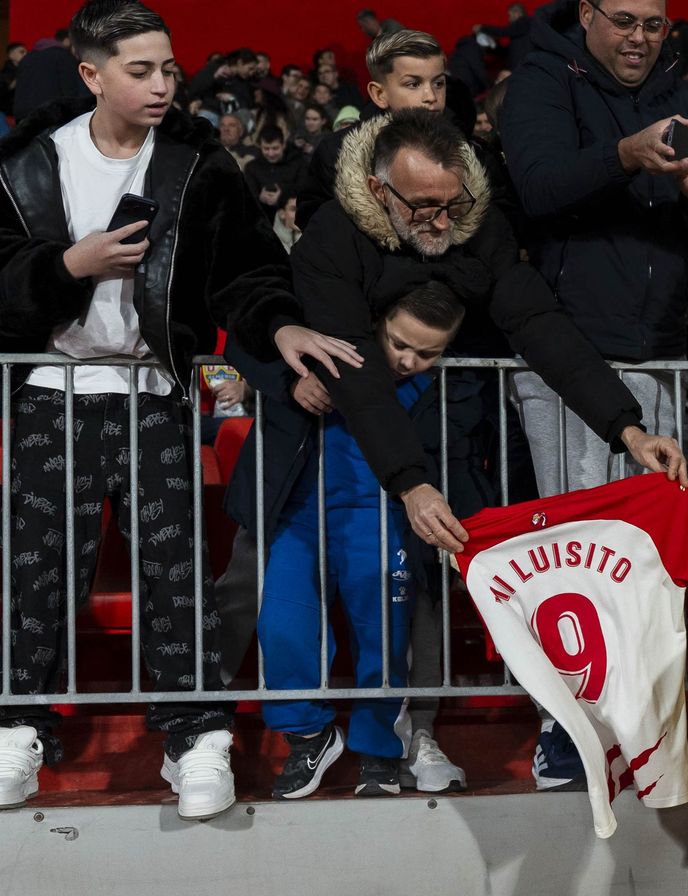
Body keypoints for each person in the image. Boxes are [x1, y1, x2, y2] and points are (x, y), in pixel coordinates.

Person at [0, 0, 357, 817]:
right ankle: (17, 726)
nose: (165, 84)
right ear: (92, 74)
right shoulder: (22, 164)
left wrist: (281, 322)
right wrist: (68, 265)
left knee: (177, 576)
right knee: (36, 573)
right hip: (50, 393)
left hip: (155, 396)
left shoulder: (199, 164)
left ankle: (196, 738)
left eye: (168, 67)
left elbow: (249, 270)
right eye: (141, 70)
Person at [287, 108, 688, 788]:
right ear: (379, 192)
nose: (443, 223)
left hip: (456, 422)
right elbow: (358, 376)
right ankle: (370, 738)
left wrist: (627, 427)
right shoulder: (333, 236)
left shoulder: (481, 225)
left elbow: (541, 325)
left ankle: (546, 727)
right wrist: (411, 481)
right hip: (353, 424)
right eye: (424, 208)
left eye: (454, 205)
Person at [499, 0, 688, 494]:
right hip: (568, 359)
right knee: (582, 545)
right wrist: (625, 154)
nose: (639, 38)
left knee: (645, 548)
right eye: (624, 22)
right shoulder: (541, 80)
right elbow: (540, 190)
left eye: (653, 25)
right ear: (587, 15)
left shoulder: (687, 100)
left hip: (661, 358)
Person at [244, 284, 470, 798]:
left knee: (385, 640)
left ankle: (380, 751)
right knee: (282, 627)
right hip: (301, 512)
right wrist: (287, 382)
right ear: (378, 323)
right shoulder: (328, 346)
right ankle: (309, 738)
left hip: (381, 514)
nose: (408, 359)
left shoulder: (442, 387)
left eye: (426, 352)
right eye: (398, 342)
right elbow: (244, 343)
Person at [297, 28, 447, 229]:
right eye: (413, 84)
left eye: (438, 83)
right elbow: (315, 225)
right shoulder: (336, 153)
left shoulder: (468, 150)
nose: (431, 96)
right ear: (379, 94)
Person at [13, 32, 93, 120]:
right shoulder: (63, 56)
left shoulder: (26, 59)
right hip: (50, 114)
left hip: (23, 114)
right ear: (67, 41)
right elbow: (70, 90)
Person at [243, 122, 307, 217]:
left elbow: (305, 188)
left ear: (283, 145)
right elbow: (246, 196)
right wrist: (260, 197)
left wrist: (283, 194)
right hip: (261, 218)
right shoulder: (252, 167)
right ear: (260, 147)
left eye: (275, 148)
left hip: (293, 218)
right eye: (266, 148)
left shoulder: (299, 162)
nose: (271, 153)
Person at [475, 3, 535, 71]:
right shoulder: (522, 32)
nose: (509, 20)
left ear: (516, 13)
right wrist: (493, 46)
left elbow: (504, 31)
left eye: (509, 15)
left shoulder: (524, 21)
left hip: (522, 67)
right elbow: (507, 51)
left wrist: (482, 28)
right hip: (520, 67)